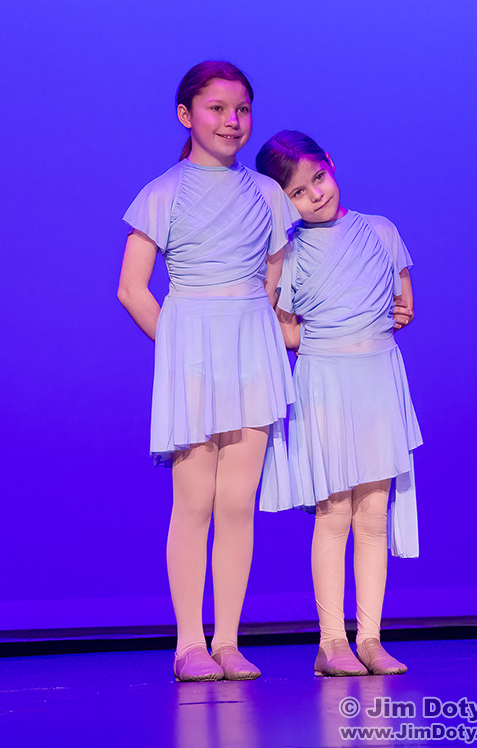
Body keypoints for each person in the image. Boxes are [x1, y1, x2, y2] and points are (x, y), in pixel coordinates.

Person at [118, 62, 298, 682]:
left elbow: (273, 288)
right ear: (185, 115)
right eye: (217, 108)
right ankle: (189, 644)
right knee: (194, 502)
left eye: (241, 109)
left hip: (251, 352)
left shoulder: (269, 195)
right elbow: (131, 288)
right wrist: (178, 349)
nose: (231, 121)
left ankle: (227, 641)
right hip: (194, 355)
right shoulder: (162, 192)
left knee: (238, 503)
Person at [256, 130, 422, 676]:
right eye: (298, 193)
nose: (316, 195)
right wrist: (324, 335)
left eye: (319, 178)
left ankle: (370, 638)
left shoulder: (380, 230)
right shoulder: (290, 251)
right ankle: (332, 643)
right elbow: (278, 326)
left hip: (377, 379)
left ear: (330, 164)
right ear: (284, 201)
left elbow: (402, 299)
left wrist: (397, 315)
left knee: (373, 512)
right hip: (325, 382)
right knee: (334, 515)